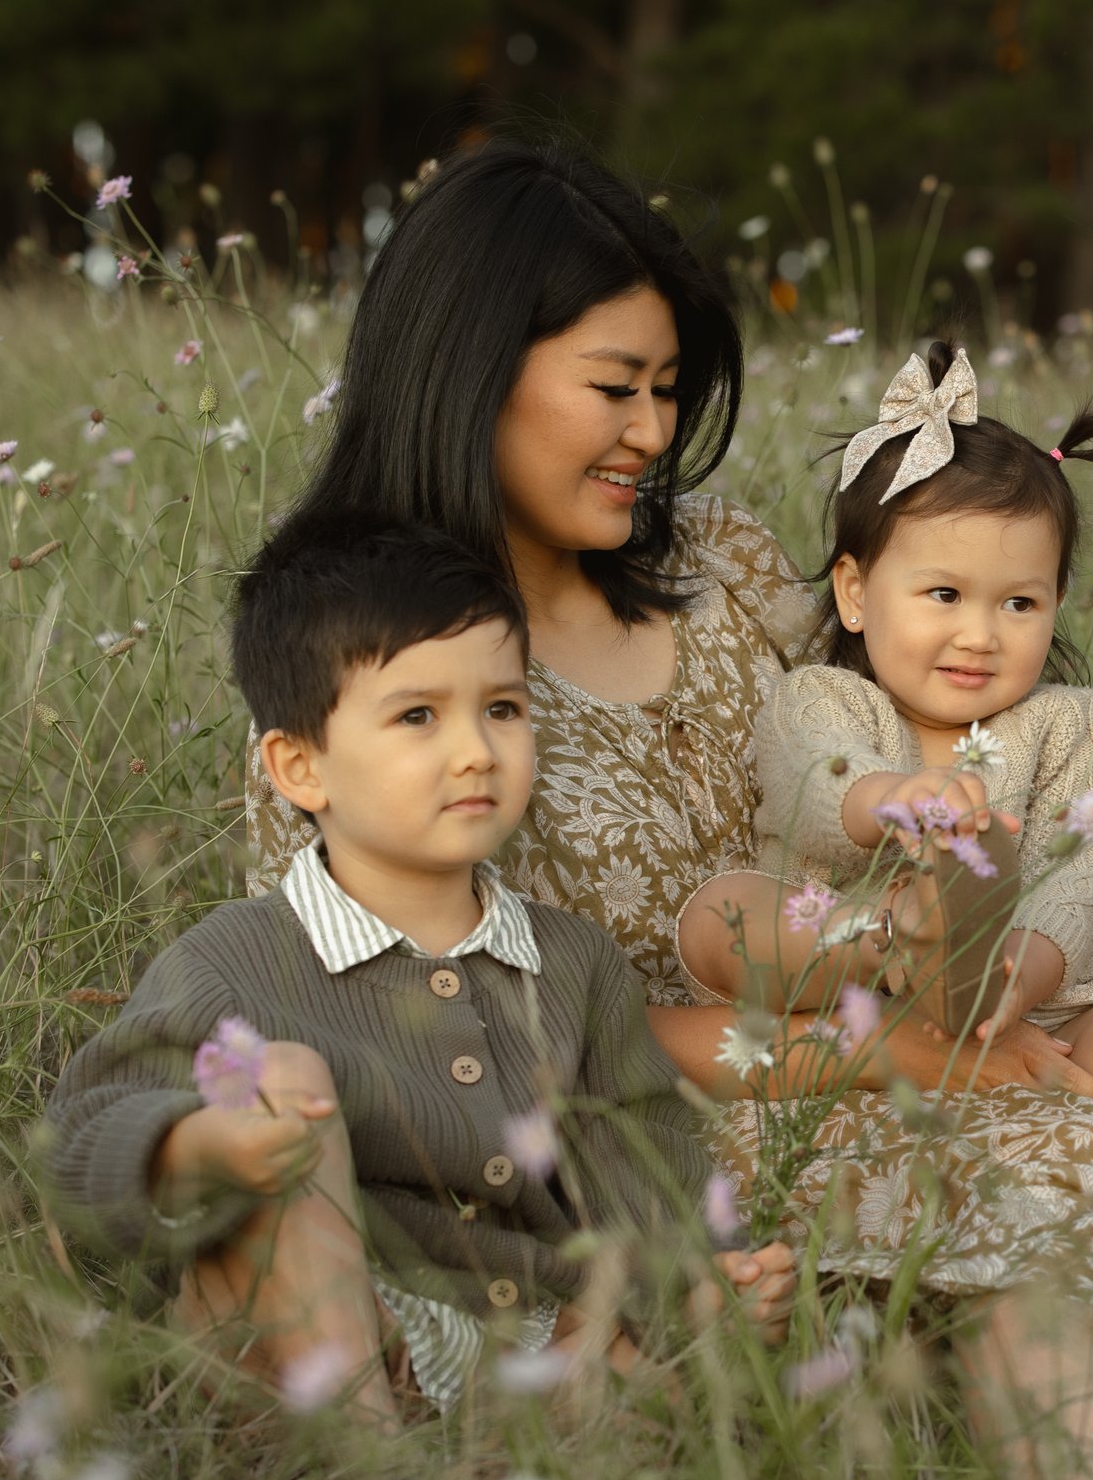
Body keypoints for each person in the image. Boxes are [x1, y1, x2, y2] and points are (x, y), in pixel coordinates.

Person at [244, 137, 1093, 1480]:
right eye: (615, 387)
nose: (652, 429)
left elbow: (916, 736)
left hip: (898, 1025)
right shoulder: (366, 666)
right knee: (1017, 1144)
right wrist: (884, 1051)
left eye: (668, 390)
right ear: (469, 369)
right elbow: (430, 1034)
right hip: (642, 1118)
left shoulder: (727, 569)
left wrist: (1017, 943)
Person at [43, 524, 795, 1425]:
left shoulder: (572, 964)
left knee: (677, 1385)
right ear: (300, 766)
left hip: (522, 1337)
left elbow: (643, 1167)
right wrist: (201, 1147)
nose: (476, 749)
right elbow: (79, 1141)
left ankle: (479, 1471)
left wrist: (712, 1283)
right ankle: (371, 1477)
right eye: (417, 716)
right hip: (320, 1304)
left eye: (503, 709)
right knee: (284, 1081)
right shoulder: (234, 960)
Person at [678, 340, 1093, 1278]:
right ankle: (920, 931)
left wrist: (1021, 974)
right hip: (850, 979)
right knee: (720, 909)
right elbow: (813, 791)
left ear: (1057, 601)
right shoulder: (825, 699)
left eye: (1019, 602)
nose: (980, 633)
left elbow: (1085, 877)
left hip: (1048, 1009)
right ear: (855, 592)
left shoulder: (1067, 723)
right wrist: (888, 799)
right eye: (943, 594)